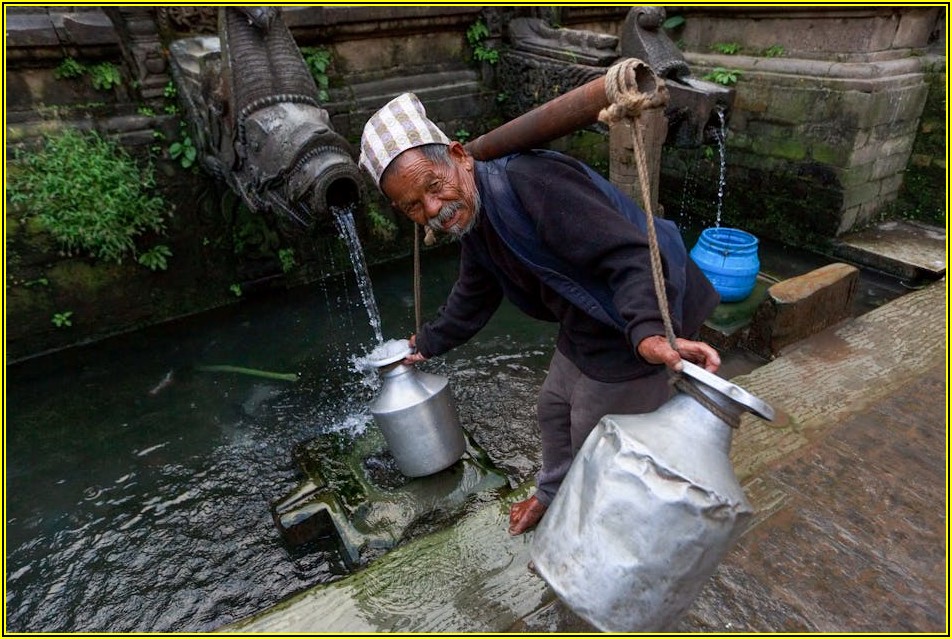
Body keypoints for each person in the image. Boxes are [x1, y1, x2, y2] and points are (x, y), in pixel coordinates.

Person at [358, 93, 721, 536]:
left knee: (597, 439)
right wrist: (426, 343)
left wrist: (648, 332)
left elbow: (631, 255)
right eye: (414, 206)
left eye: (434, 188)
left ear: (458, 156)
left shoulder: (532, 182)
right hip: (586, 319)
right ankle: (552, 495)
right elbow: (475, 290)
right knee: (553, 409)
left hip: (640, 309)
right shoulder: (474, 215)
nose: (433, 210)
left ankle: (595, 536)